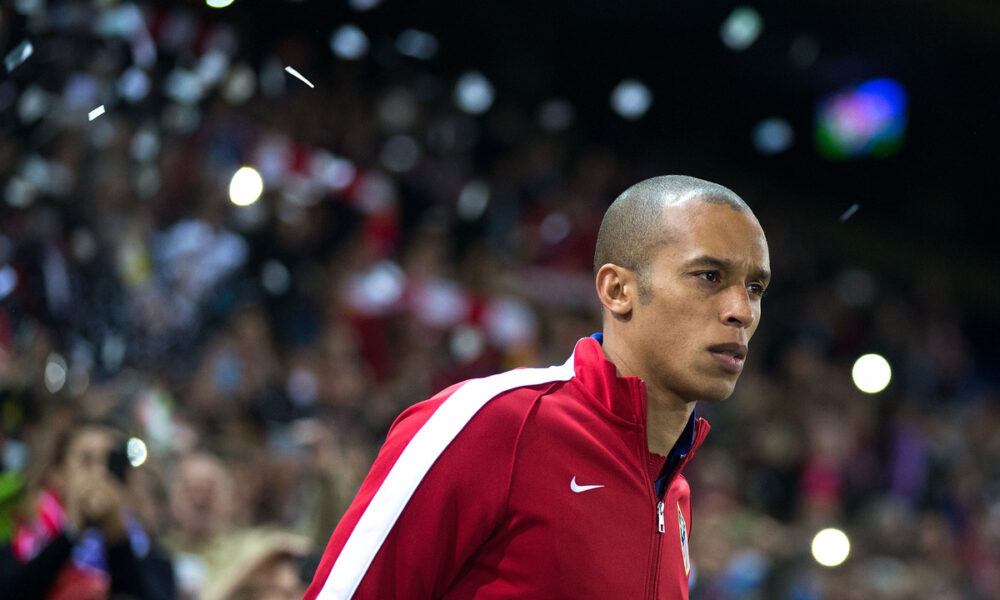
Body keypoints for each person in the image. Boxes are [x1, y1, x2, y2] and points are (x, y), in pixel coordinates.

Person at [304, 175, 771, 599]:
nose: (742, 312)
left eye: (755, 288)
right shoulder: (489, 422)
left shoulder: (676, 496)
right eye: (709, 277)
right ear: (617, 291)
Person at [0, 420, 176, 600]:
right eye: (86, 461)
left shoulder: (148, 552)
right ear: (58, 474)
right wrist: (72, 531)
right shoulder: (23, 544)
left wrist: (116, 537)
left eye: (111, 462)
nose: (100, 473)